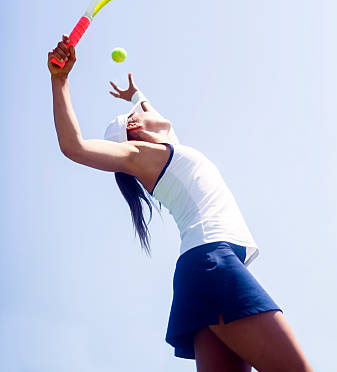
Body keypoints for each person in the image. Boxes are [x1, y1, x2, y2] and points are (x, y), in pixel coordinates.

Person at [48, 35, 314, 372]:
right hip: (212, 264)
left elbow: (154, 115)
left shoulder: (169, 152)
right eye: (137, 111)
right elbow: (75, 147)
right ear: (133, 126)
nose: (148, 109)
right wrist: (61, 81)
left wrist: (136, 95)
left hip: (203, 270)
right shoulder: (141, 155)